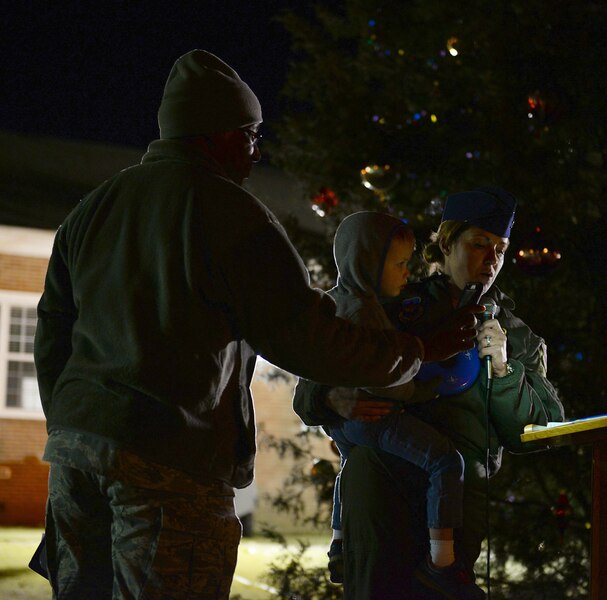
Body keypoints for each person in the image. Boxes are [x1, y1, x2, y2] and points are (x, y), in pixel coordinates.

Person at [33, 49, 477, 599]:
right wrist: (415, 351)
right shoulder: (226, 213)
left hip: (76, 454)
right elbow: (307, 336)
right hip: (169, 458)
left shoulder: (93, 210)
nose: (253, 152)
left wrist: (72, 420)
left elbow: (53, 331)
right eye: (249, 135)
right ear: (215, 134)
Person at [294, 187, 565, 599]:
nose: (490, 260)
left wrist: (504, 370)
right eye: (479, 244)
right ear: (445, 243)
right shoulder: (393, 305)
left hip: (457, 505)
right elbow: (311, 386)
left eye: (500, 249)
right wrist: (331, 398)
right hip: (381, 488)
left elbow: (543, 429)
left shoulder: (518, 337)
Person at [313, 211, 482, 599]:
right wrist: (426, 385)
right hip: (377, 433)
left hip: (365, 450)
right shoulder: (370, 313)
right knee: (444, 460)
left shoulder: (338, 304)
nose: (408, 273)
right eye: (400, 264)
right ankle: (441, 563)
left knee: (350, 458)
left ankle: (339, 542)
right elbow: (383, 376)